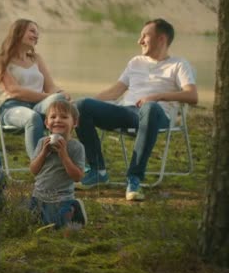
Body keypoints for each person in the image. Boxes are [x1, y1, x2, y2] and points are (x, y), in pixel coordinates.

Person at [74, 18, 198, 201]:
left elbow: (192, 96)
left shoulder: (179, 64)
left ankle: (134, 178)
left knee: (149, 108)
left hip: (158, 115)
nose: (139, 41)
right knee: (80, 106)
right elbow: (116, 91)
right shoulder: (136, 62)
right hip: (127, 112)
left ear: (161, 39)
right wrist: (86, 103)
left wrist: (157, 97)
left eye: (145, 36)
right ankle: (97, 170)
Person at [0, 18, 70, 160]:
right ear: (18, 32)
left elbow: (51, 87)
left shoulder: (36, 59)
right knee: (33, 117)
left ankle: (67, 157)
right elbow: (14, 91)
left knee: (61, 101)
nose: (36, 36)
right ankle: (39, 164)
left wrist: (60, 93)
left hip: (38, 107)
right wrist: (47, 97)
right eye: (32, 31)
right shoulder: (0, 60)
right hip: (10, 108)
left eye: (37, 33)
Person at [29, 100, 87, 228]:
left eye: (64, 117)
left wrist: (64, 155)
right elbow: (33, 170)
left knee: (58, 225)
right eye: (53, 117)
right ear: (46, 123)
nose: (58, 120)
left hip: (62, 198)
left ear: (75, 123)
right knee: (32, 223)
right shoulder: (42, 142)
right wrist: (43, 152)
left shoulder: (76, 147)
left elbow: (77, 177)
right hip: (39, 196)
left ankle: (74, 208)